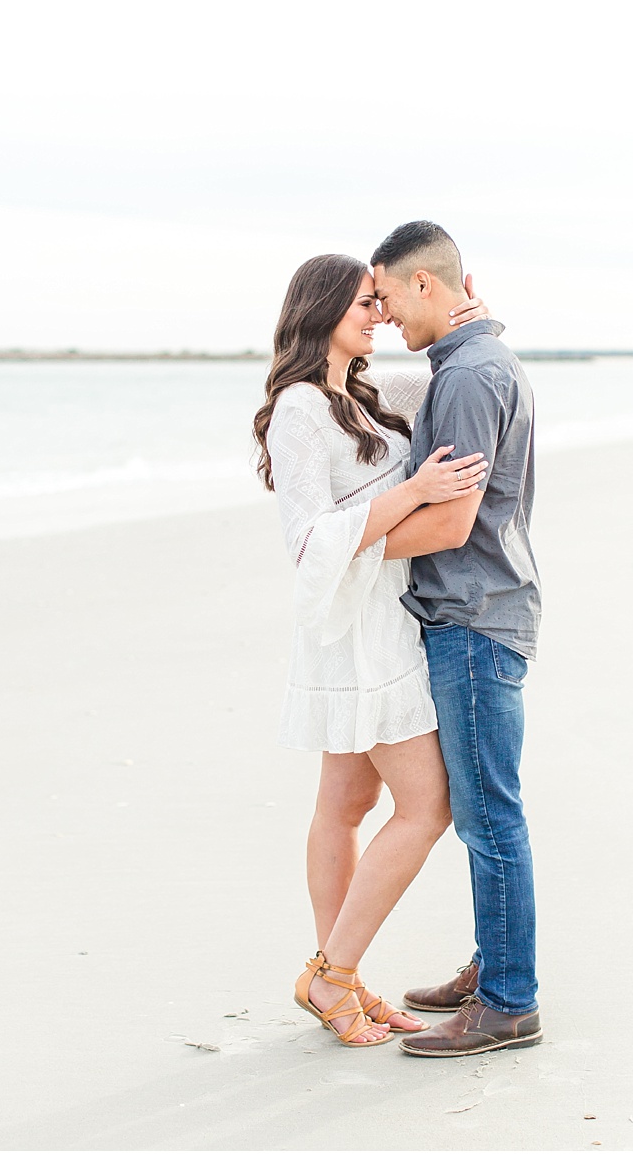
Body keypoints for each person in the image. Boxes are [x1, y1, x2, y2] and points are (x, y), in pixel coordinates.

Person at [253, 253, 493, 1046]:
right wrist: (414, 493)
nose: (379, 315)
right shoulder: (297, 408)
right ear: (323, 309)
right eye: (365, 303)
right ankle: (333, 975)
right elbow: (309, 539)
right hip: (354, 631)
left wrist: (467, 318)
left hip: (386, 617)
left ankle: (341, 982)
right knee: (427, 806)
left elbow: (452, 384)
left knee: (348, 806)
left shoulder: (367, 392)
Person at [364, 220, 546, 1058]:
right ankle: (495, 963)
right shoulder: (471, 364)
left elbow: (451, 520)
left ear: (429, 285)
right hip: (483, 611)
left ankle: (510, 1001)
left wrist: (349, 548)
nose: (387, 313)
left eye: (391, 296)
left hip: (473, 619)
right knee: (483, 807)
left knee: (487, 813)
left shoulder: (471, 374)